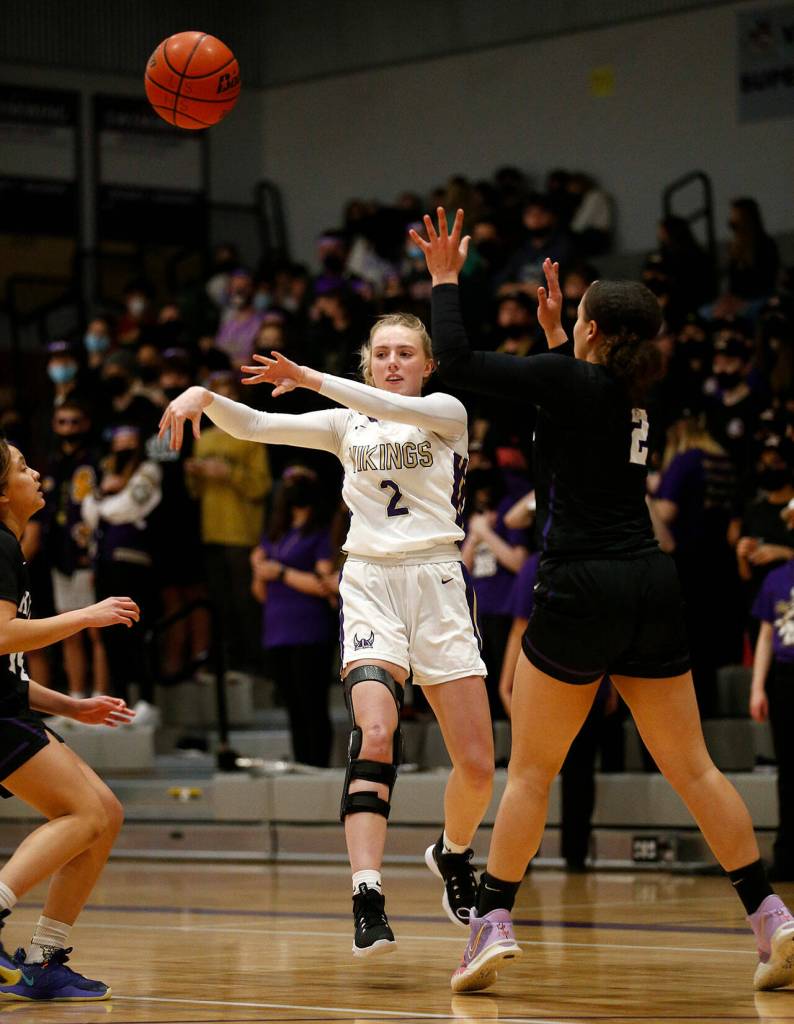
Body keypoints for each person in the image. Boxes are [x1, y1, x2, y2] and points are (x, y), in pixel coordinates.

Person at [409, 208, 794, 994]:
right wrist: (558, 336)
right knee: (693, 767)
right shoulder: (623, 388)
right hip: (649, 582)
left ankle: (490, 922)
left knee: (531, 771)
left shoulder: (575, 381)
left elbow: (455, 358)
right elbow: (570, 417)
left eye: (575, 312)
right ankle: (770, 918)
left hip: (582, 582)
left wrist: (446, 279)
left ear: (592, 328)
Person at [159, 311, 493, 959]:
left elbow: (364, 397)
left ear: (427, 365)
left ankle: (452, 854)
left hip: (439, 583)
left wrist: (313, 377)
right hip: (370, 580)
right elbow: (258, 425)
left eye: (406, 353)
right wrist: (203, 396)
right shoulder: (346, 422)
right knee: (374, 730)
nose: (395, 362)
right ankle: (366, 894)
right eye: (383, 354)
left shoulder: (447, 412)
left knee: (477, 766)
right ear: (369, 363)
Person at [0, 438, 138, 1001]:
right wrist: (86, 615)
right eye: (21, 467)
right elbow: (3, 636)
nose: (35, 473)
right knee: (82, 812)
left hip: (9, 707)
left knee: (105, 811)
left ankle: (44, 960)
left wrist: (71, 705)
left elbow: (7, 666)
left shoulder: (12, 546)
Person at [251, 466, 336, 767]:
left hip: (310, 628)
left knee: (313, 702)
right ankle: (301, 763)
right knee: (292, 705)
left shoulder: (321, 532)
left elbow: (324, 586)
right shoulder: (274, 534)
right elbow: (260, 593)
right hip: (277, 628)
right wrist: (258, 570)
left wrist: (282, 572)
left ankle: (318, 765)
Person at [750, 557, 794, 882]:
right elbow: (766, 635)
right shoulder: (777, 578)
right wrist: (756, 688)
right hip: (785, 677)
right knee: (788, 769)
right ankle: (787, 855)